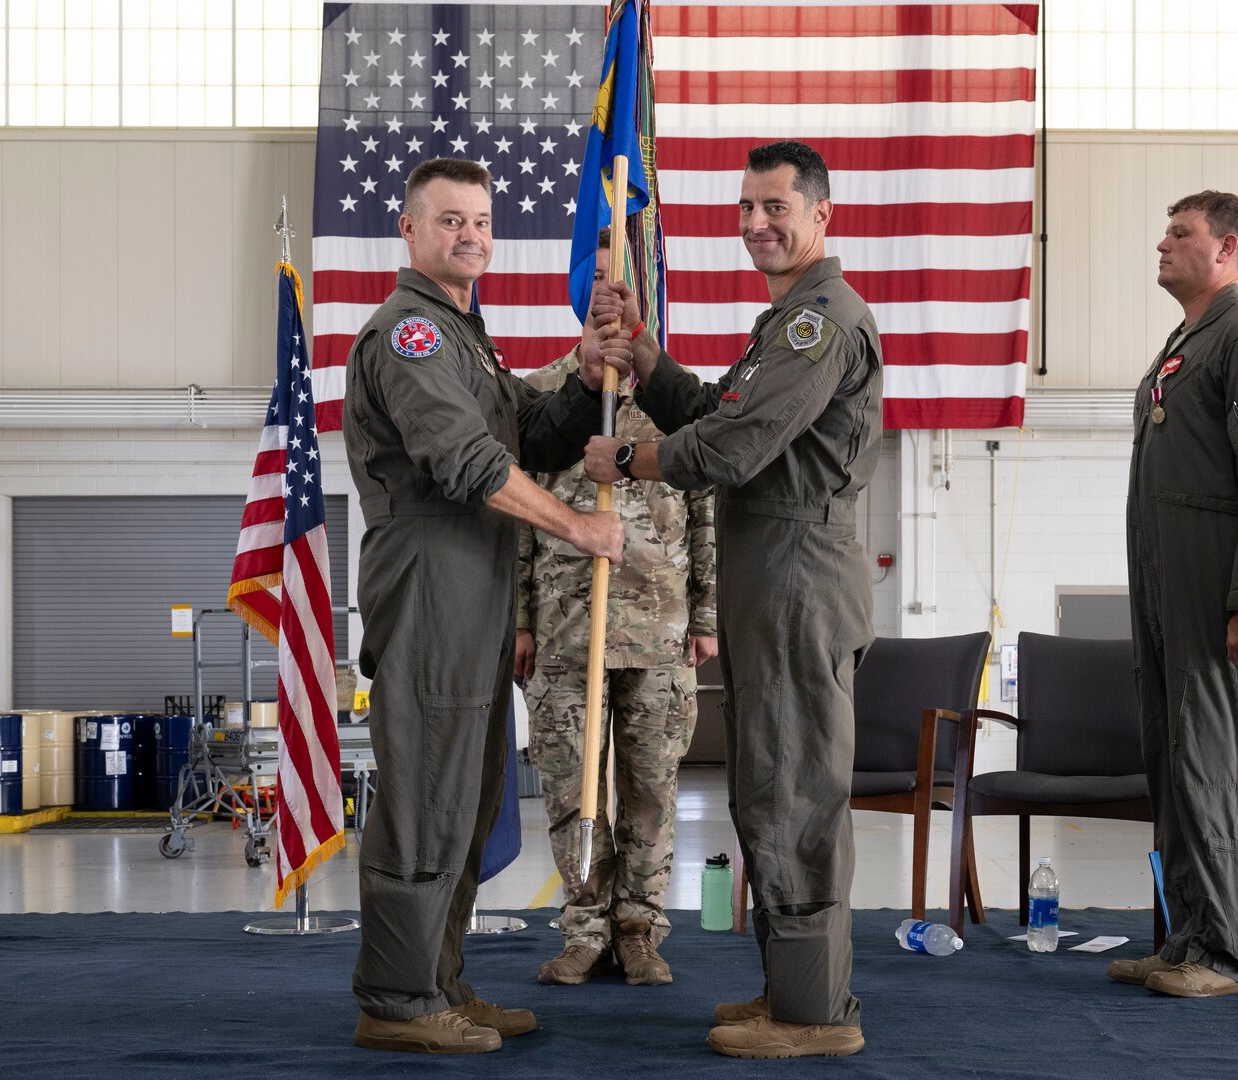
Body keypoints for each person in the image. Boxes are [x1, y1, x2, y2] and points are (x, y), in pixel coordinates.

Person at [584, 140, 881, 1059]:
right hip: (773, 576)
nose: (755, 224)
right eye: (745, 207)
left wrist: (628, 458)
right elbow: (720, 413)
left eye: (775, 207)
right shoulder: (785, 319)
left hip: (798, 575)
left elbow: (736, 447)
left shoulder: (817, 322)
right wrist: (644, 359)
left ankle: (815, 1014)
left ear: (821, 215)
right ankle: (793, 992)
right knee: (767, 786)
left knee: (793, 788)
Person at [342, 157, 625, 1055]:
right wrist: (577, 531)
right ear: (410, 230)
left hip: (475, 587)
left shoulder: (466, 335)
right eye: (450, 219)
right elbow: (465, 463)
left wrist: (583, 381)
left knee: (465, 795)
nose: (470, 235)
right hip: (430, 579)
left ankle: (438, 982)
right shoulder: (411, 337)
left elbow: (525, 439)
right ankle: (396, 998)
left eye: (481, 221)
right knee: (427, 793)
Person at [515, 229, 718, 988]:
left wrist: (705, 617)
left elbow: (705, 511)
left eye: (620, 276)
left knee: (652, 791)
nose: (608, 292)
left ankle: (639, 930)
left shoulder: (674, 401)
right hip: (568, 631)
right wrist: (522, 619)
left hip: (659, 633)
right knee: (573, 790)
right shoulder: (542, 397)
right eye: (595, 278)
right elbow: (518, 518)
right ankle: (584, 929)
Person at [1116, 191, 1238, 999]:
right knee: (1175, 756)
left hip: (1214, 585)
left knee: (1218, 761)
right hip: (1162, 581)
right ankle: (1188, 937)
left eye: (1180, 232)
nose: (1162, 242)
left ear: (1225, 248)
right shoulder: (1181, 345)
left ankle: (1229, 955)